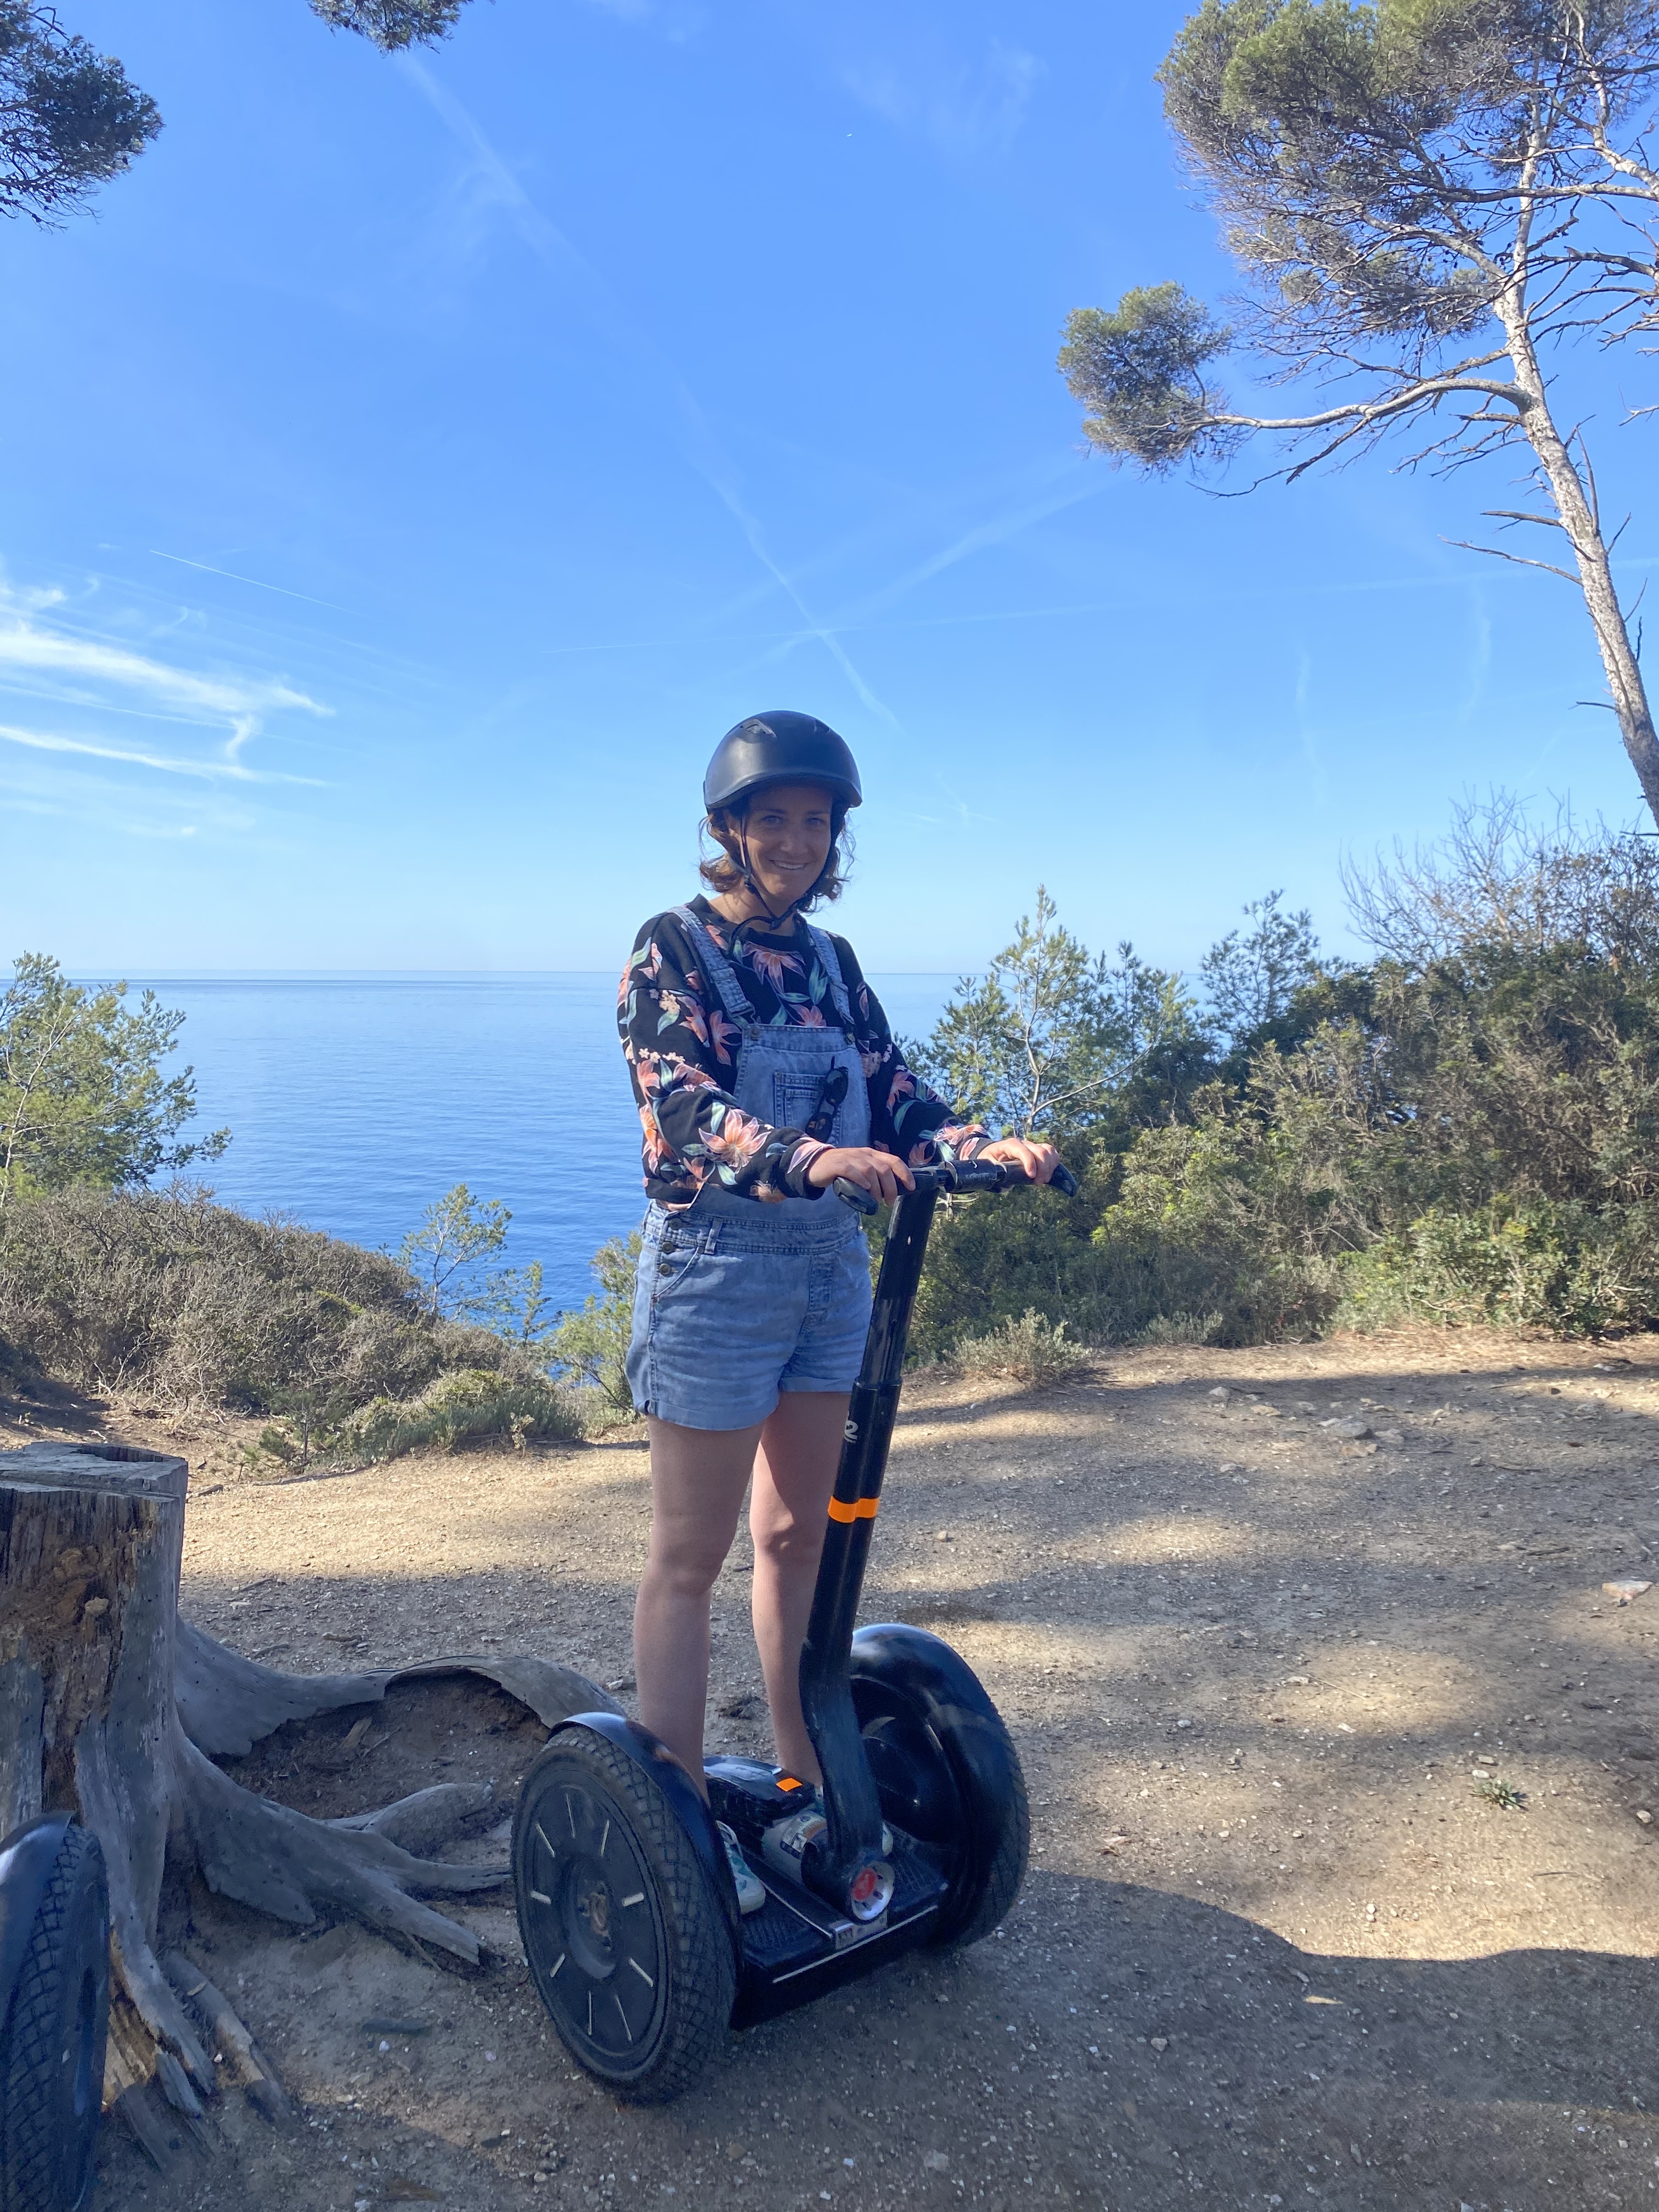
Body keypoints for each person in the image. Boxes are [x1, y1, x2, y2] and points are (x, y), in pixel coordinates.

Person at [618, 710, 1058, 1909]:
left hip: (828, 1277)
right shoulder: (672, 949)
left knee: (797, 1539)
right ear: (729, 831)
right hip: (718, 1271)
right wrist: (805, 1156)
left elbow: (895, 1088)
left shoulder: (831, 963)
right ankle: (678, 1828)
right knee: (688, 1557)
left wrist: (980, 1144)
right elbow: (685, 1104)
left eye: (816, 823)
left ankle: (814, 1788)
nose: (798, 841)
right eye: (774, 821)